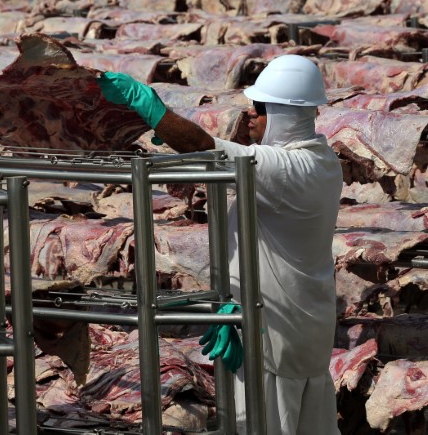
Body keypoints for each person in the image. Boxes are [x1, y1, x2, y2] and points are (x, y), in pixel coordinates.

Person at [98, 54, 343, 435]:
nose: (250, 118)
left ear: (280, 114)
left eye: (257, 110)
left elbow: (204, 146)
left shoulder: (291, 170)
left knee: (269, 424)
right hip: (294, 322)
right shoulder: (320, 161)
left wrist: (148, 105)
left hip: (274, 330)